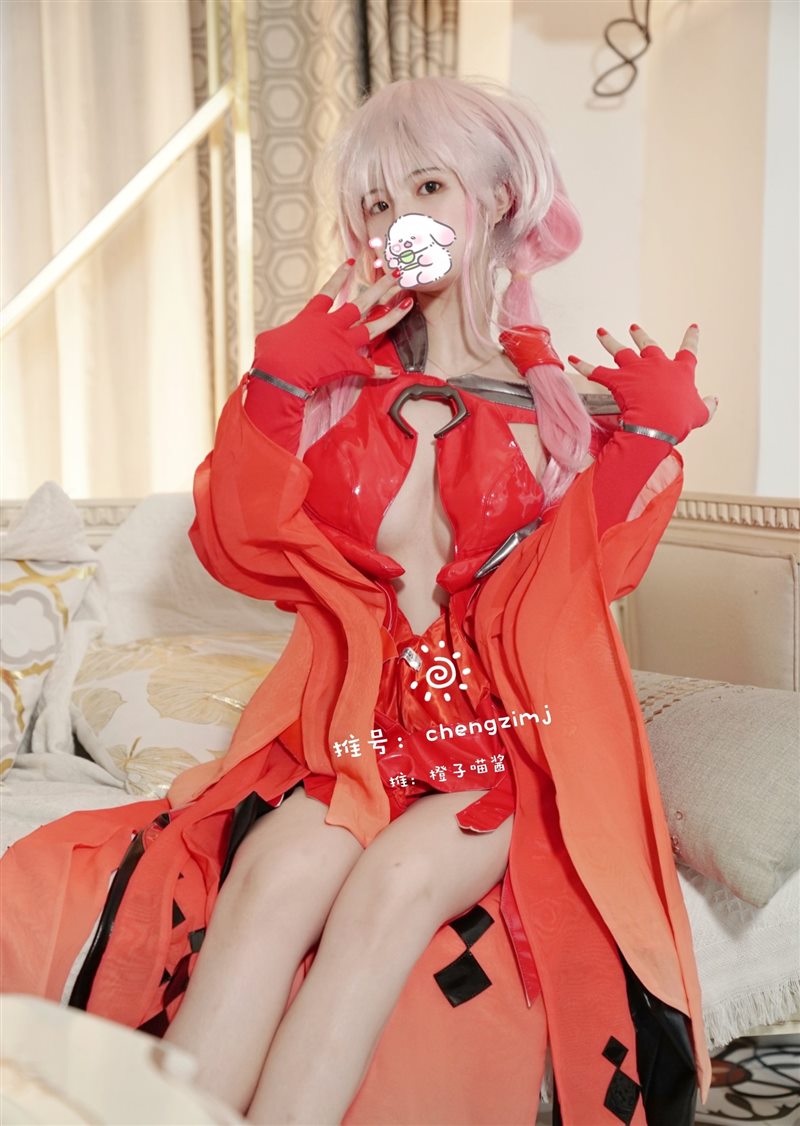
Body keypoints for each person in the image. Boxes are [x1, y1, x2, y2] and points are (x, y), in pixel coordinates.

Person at [1, 76, 718, 1124]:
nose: (397, 221)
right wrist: (275, 391)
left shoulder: (563, 411)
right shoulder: (335, 391)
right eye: (376, 203)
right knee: (269, 886)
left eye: (427, 187)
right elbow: (240, 546)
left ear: (498, 200)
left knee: (386, 895)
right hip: (356, 742)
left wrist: (648, 440)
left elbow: (584, 584)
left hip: (497, 750)